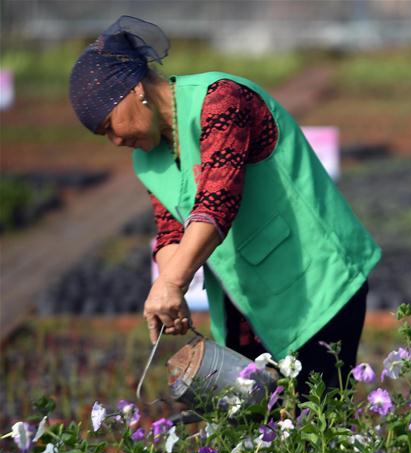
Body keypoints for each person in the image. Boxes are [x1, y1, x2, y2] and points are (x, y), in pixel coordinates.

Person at [69, 16, 381, 394]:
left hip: (316, 283)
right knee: (256, 435)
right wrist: (174, 294)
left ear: (134, 90)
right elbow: (170, 230)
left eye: (109, 125)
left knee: (318, 423)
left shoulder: (222, 99)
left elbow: (218, 199)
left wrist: (171, 282)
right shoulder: (147, 159)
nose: (115, 141)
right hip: (249, 302)